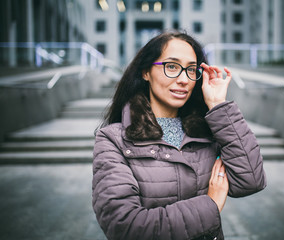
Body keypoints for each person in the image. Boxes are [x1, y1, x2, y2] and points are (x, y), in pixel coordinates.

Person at [92, 31, 266, 240]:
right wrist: (210, 205)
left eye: (191, 70)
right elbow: (125, 227)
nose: (184, 79)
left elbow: (250, 181)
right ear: (146, 72)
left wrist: (218, 106)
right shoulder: (113, 140)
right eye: (172, 66)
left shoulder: (206, 132)